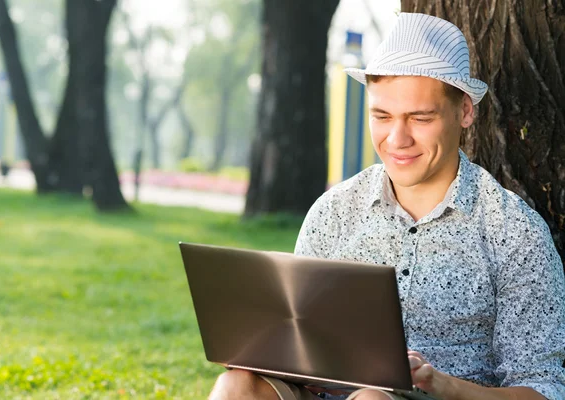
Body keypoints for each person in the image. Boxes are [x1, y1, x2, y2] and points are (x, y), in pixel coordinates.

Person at [209, 12, 565, 400]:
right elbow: (296, 343)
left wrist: (439, 384)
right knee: (236, 384)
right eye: (382, 116)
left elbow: (543, 390)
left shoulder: (513, 231)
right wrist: (271, 353)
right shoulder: (334, 212)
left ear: (464, 111)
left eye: (420, 118)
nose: (397, 139)